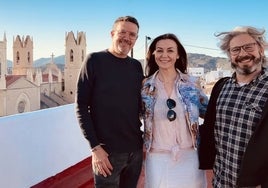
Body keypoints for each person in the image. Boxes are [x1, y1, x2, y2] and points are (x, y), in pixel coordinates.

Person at [75, 16, 144, 188]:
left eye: (132, 34)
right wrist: (95, 148)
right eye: (122, 32)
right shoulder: (94, 61)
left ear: (135, 39)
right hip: (106, 153)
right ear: (112, 33)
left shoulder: (136, 66)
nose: (127, 38)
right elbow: (81, 106)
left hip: (135, 150)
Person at [198, 26, 268, 187]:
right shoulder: (221, 87)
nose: (243, 54)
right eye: (235, 49)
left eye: (248, 47)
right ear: (229, 55)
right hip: (220, 182)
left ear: (260, 49)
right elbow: (210, 130)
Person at [141, 33, 208, 188]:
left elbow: (210, 113)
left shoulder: (191, 84)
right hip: (157, 157)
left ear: (178, 55)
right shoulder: (145, 86)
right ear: (153, 54)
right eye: (159, 50)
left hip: (190, 156)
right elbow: (131, 115)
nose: (164, 55)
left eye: (170, 50)